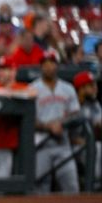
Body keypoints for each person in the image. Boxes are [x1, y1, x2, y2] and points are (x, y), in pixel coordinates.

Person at [29, 51, 80, 193]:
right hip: (41, 145)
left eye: (51, 63)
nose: (48, 66)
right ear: (41, 67)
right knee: (40, 189)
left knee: (72, 187)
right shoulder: (32, 89)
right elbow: (28, 119)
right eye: (45, 63)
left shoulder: (67, 88)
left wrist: (61, 124)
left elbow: (75, 114)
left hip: (63, 144)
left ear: (57, 65)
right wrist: (48, 126)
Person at [73, 71, 101, 189]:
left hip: (88, 143)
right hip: (72, 146)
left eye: (95, 84)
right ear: (81, 89)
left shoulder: (94, 104)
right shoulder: (73, 104)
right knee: (97, 148)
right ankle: (95, 184)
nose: (95, 88)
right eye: (91, 85)